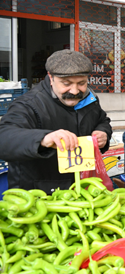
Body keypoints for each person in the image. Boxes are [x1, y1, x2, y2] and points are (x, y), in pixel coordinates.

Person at [0, 50, 112, 192]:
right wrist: (43, 139)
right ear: (50, 77)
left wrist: (103, 132)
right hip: (39, 192)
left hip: (80, 188)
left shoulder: (89, 99)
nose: (74, 91)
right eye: (66, 83)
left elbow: (102, 120)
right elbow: (4, 137)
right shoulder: (29, 104)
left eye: (82, 83)